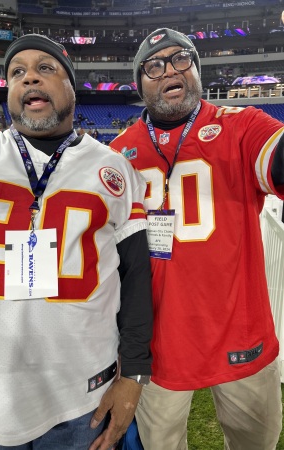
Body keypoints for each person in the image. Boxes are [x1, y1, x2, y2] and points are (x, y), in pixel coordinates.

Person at [0, 34, 153, 450]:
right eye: (16, 73)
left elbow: (135, 281)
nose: (28, 79)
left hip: (83, 400)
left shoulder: (114, 168)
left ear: (71, 88)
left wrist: (132, 376)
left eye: (45, 68)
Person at [111, 28, 284, 450]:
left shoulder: (243, 125)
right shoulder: (116, 152)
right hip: (158, 348)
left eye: (181, 59)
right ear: (140, 84)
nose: (169, 70)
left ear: (196, 70)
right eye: (154, 66)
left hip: (240, 334)